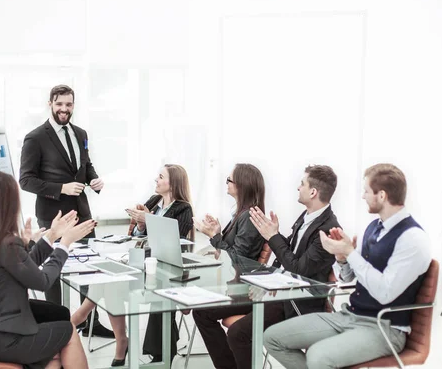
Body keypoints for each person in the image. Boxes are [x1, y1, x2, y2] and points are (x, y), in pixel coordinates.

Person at [264, 163, 432, 369]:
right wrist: (342, 258)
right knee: (272, 338)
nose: (363, 196)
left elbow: (385, 293)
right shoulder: (373, 228)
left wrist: (351, 253)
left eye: (366, 191)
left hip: (383, 328)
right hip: (350, 316)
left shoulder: (412, 239)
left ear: (382, 196)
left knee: (318, 356)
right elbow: (347, 278)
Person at [193, 165, 340, 369]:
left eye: (302, 184)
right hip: (277, 292)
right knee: (202, 312)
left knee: (238, 334)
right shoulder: (306, 218)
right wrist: (265, 281)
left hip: (295, 301)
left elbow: (298, 269)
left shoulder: (328, 229)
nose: (298, 188)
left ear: (313, 192)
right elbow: (286, 255)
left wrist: (272, 237)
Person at [0, 171, 94, 369]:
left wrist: (50, 236)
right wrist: (65, 244)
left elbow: (24, 268)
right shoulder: (7, 243)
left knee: (58, 316)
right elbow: (42, 281)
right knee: (68, 331)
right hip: (3, 338)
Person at [70, 164, 194, 366]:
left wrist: (148, 220)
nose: (156, 179)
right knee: (108, 278)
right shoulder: (154, 201)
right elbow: (137, 237)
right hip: (141, 263)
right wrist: (141, 225)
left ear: (173, 183)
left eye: (160, 176)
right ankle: (117, 337)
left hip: (163, 270)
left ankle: (84, 316)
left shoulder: (183, 208)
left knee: (109, 281)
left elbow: (175, 241)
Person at [19, 84, 112, 337]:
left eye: (69, 105)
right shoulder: (35, 137)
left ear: (74, 105)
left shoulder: (81, 133)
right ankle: (55, 326)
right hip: (53, 217)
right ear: (50, 103)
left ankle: (89, 323)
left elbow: (86, 164)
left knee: (89, 268)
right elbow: (25, 180)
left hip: (82, 212)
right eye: (59, 104)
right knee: (54, 273)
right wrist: (61, 188)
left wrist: (94, 180)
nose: (64, 109)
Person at [191, 163, 267, 368]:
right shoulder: (241, 213)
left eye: (229, 180)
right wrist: (218, 232)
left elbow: (236, 258)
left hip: (245, 291)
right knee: (199, 307)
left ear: (242, 184)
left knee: (201, 312)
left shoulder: (250, 216)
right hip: (236, 285)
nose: (226, 183)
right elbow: (233, 252)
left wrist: (214, 236)